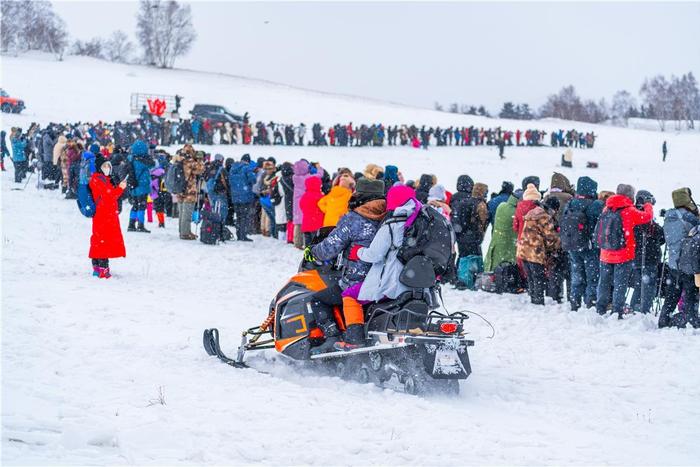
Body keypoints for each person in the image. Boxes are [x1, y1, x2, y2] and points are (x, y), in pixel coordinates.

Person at [309, 178, 387, 351]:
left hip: (358, 279)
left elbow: (330, 247)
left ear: (359, 196)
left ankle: (333, 337)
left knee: (318, 300)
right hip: (386, 280)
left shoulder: (353, 219)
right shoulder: (389, 216)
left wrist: (313, 252)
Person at [596, 184, 653, 319]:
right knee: (619, 284)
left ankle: (600, 307)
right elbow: (647, 217)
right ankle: (617, 311)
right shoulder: (629, 211)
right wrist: (648, 204)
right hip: (623, 254)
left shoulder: (607, 208)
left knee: (604, 282)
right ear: (630, 196)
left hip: (605, 252)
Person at [560, 176, 603, 311]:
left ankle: (575, 302)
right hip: (590, 246)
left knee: (577, 275)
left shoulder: (571, 203)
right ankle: (591, 302)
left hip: (573, 245)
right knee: (593, 277)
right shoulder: (596, 205)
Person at [658, 187, 699, 328]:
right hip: (688, 262)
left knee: (672, 294)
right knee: (690, 294)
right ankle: (691, 321)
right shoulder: (688, 217)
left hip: (673, 262)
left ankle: (664, 319)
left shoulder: (669, 216)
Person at [516, 197, 561, 305]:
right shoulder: (544, 217)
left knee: (531, 277)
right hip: (535, 252)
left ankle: (533, 299)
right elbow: (550, 237)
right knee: (538, 278)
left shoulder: (532, 212)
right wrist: (557, 246)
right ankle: (538, 303)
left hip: (523, 250)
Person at [88, 160, 127, 279]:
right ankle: (103, 268)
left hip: (107, 215)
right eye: (104, 166)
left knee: (100, 239)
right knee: (102, 240)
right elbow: (108, 196)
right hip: (103, 215)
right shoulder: (97, 179)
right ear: (100, 168)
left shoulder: (105, 179)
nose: (107, 168)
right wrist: (120, 188)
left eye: (108, 166)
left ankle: (97, 267)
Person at [629, 190, 664, 314]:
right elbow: (660, 235)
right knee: (648, 286)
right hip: (649, 257)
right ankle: (643, 311)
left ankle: (634, 308)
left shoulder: (631, 212)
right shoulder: (645, 217)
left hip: (634, 256)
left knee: (639, 285)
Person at [173, 145, 205, 240]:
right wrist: (199, 159)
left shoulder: (178, 160)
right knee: (187, 214)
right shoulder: (190, 162)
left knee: (182, 214)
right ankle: (185, 234)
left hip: (180, 190)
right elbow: (201, 169)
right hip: (189, 191)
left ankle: (183, 231)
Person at [484, 190, 519, 272]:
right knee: (505, 272)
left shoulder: (501, 206)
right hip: (508, 248)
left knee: (494, 268)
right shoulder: (515, 212)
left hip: (496, 243)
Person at [127, 140, 154, 233]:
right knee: (141, 206)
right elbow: (152, 164)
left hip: (133, 185)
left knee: (135, 205)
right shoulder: (144, 160)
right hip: (142, 185)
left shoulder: (131, 159)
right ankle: (140, 225)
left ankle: (131, 224)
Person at [228, 154, 256, 241]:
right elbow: (253, 180)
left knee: (239, 216)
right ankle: (243, 235)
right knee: (244, 216)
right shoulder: (247, 168)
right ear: (248, 161)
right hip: (245, 196)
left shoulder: (233, 168)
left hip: (235, 196)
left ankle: (239, 234)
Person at [299, 176, 324, 246]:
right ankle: (314, 256)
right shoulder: (320, 197)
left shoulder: (304, 196)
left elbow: (301, 206)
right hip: (317, 224)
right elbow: (323, 209)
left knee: (308, 244)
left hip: (306, 224)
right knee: (316, 245)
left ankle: (307, 255)